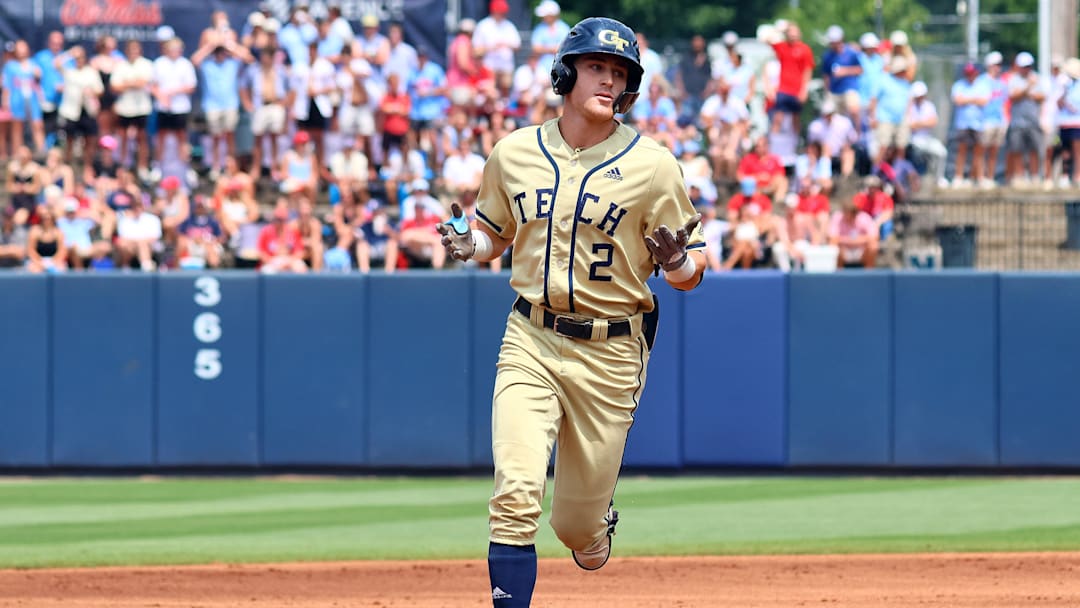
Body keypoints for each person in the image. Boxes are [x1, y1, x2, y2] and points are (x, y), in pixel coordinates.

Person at [435, 18, 705, 607]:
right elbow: (490, 232)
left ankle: (594, 522)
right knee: (516, 490)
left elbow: (692, 272)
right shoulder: (514, 152)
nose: (610, 80)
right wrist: (468, 245)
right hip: (530, 336)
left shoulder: (653, 165)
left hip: (610, 352)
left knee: (574, 529)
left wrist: (679, 261)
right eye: (597, 67)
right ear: (566, 73)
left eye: (620, 73)